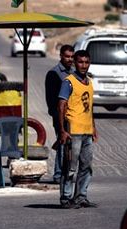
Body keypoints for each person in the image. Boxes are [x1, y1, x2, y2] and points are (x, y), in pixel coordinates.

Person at [58, 50, 98, 209]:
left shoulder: (89, 82)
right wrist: (62, 130)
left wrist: (94, 127)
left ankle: (81, 196)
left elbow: (90, 107)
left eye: (86, 62)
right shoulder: (68, 82)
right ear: (75, 63)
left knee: (86, 166)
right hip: (73, 130)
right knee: (70, 167)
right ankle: (66, 198)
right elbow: (61, 106)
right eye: (80, 62)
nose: (84, 65)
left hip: (87, 131)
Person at [45, 45, 75, 183]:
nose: (70, 59)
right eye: (67, 56)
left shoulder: (74, 72)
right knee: (62, 145)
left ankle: (68, 173)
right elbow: (51, 100)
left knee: (72, 147)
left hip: (74, 117)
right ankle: (58, 175)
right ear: (61, 56)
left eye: (71, 56)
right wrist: (58, 118)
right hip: (60, 117)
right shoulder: (54, 73)